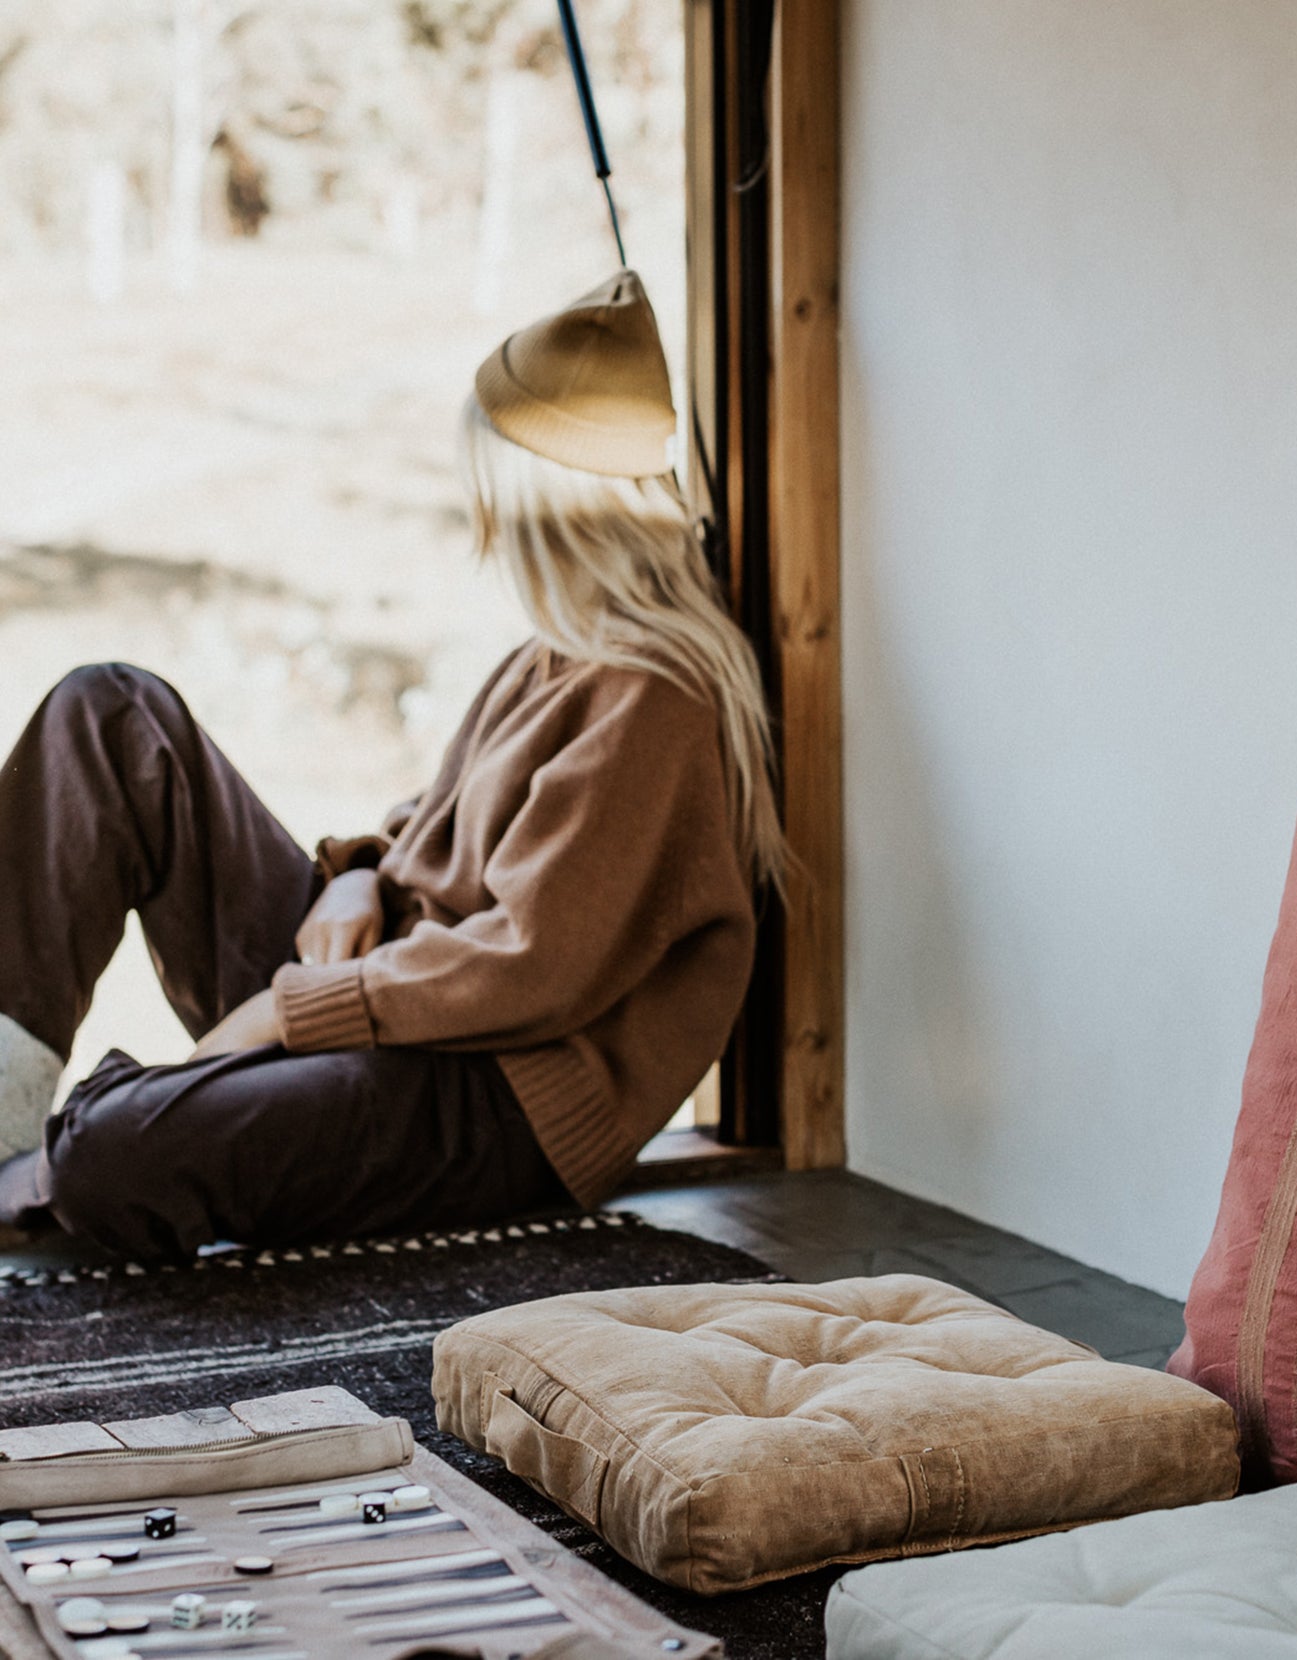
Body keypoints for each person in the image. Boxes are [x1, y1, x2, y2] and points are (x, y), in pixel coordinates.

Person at [0, 271, 784, 1260]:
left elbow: (533, 964)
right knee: (110, 711)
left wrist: (284, 1013)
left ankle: (78, 1150)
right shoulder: (557, 648)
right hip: (398, 1002)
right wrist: (362, 873)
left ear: (550, 500)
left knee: (113, 1155)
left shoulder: (655, 695)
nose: (478, 519)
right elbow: (437, 820)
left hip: (493, 1098)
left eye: (490, 487)